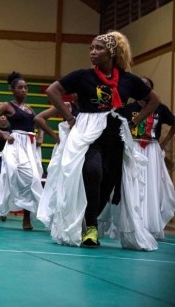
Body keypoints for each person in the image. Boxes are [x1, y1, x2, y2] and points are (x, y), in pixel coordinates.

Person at [39, 30, 160, 250]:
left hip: (115, 135)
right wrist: (69, 117)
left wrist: (133, 123)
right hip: (88, 134)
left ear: (111, 53)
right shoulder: (83, 76)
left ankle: (90, 221)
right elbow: (53, 90)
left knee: (109, 181)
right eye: (91, 48)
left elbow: (153, 100)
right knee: (93, 172)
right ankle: (91, 228)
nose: (93, 52)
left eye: (98, 48)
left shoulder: (127, 80)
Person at [0, 72, 43, 230]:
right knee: (10, 174)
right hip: (14, 146)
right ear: (13, 90)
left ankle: (25, 218)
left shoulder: (29, 108)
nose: (24, 90)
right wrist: (3, 134)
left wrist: (40, 137)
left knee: (32, 178)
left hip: (28, 146)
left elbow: (39, 122)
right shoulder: (7, 105)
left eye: (26, 87)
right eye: (20, 87)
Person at [123, 77, 175, 239]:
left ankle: (149, 223)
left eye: (147, 85)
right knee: (134, 183)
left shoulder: (160, 108)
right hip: (134, 147)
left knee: (151, 185)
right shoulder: (128, 108)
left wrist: (163, 143)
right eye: (141, 84)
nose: (143, 87)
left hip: (152, 148)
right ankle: (133, 222)